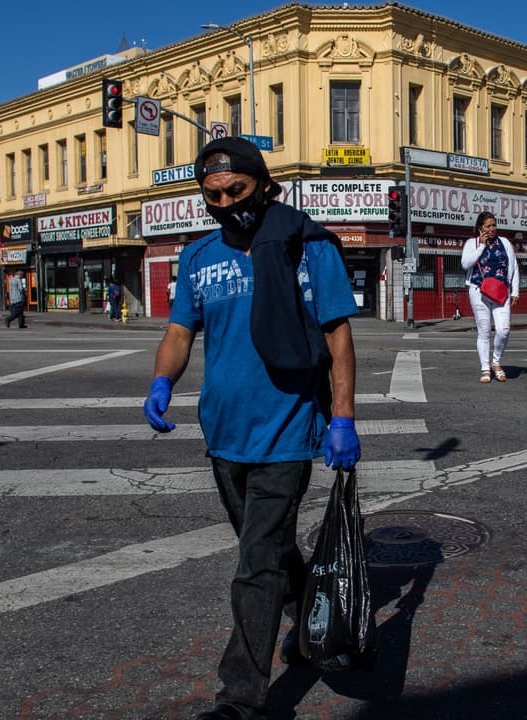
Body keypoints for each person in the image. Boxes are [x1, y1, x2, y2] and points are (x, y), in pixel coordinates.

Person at [142, 136, 360, 720]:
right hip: (223, 432)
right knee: (270, 547)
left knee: (255, 565)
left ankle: (241, 699)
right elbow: (180, 331)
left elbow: (338, 335)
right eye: (212, 196)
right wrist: (161, 380)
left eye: (236, 191)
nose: (226, 203)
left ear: (265, 187)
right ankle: (312, 615)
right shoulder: (197, 256)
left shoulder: (309, 247)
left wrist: (342, 416)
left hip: (287, 430)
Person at [460, 211, 519, 383]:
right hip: (478, 291)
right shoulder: (472, 243)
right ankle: (485, 368)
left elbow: (513, 266)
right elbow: (465, 264)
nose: (492, 229)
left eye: (494, 225)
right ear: (480, 228)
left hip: (501, 291)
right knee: (484, 331)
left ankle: (496, 362)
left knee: (503, 330)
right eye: (488, 226)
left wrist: (515, 291)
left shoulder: (504, 242)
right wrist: (481, 246)